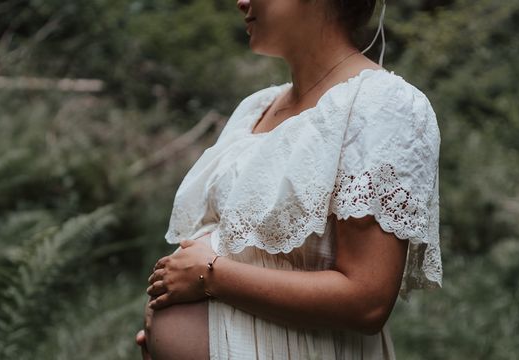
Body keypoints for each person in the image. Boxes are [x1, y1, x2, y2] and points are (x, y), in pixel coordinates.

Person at [136, 0, 442, 358]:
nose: (242, 1)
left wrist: (211, 276)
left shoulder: (381, 106)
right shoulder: (257, 107)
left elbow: (367, 301)